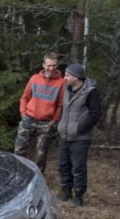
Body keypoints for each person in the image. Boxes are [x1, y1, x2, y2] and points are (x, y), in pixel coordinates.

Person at [55, 62, 101, 207]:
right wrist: (60, 125)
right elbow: (63, 109)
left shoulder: (91, 92)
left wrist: (79, 129)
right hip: (64, 135)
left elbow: (95, 115)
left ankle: (78, 197)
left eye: (67, 75)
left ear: (77, 77)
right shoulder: (66, 89)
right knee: (63, 165)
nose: (64, 78)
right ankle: (66, 192)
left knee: (78, 167)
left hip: (80, 138)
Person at [14, 53, 64, 171]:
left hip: (46, 123)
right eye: (49, 65)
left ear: (57, 65)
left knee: (41, 154)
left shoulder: (61, 83)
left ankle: (38, 177)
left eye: (54, 65)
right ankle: (18, 173)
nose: (51, 68)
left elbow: (60, 105)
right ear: (43, 65)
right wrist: (23, 114)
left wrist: (53, 121)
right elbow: (25, 97)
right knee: (19, 149)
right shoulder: (35, 78)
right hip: (28, 119)